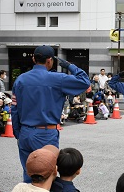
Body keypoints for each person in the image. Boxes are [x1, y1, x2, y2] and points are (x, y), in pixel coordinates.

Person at [11, 45, 90, 183]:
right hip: (45, 133)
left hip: (25, 132)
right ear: (50, 61)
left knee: (29, 174)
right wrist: (70, 66)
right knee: (47, 176)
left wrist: (18, 133)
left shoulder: (20, 80)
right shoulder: (58, 78)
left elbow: (14, 109)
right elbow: (84, 82)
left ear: (34, 58)